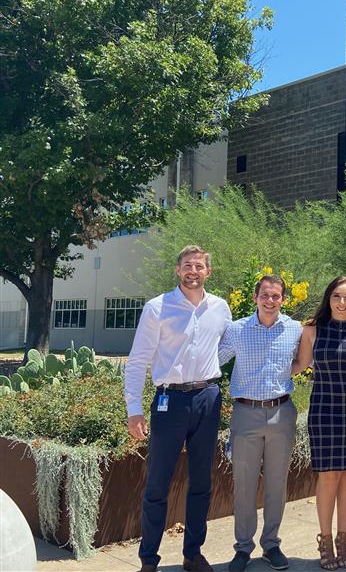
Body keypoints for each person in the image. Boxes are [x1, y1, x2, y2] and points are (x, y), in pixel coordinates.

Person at [124, 245, 232, 572]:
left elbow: (226, 345)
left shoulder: (220, 308)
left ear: (208, 272)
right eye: (187, 265)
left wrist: (211, 366)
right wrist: (134, 408)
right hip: (169, 402)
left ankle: (192, 554)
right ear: (178, 270)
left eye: (199, 266)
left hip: (207, 399)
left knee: (201, 482)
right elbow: (138, 360)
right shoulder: (158, 308)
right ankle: (149, 560)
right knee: (158, 482)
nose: (193, 271)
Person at [218, 274, 303, 572]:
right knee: (244, 484)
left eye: (276, 296)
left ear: (283, 299)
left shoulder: (294, 329)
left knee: (278, 483)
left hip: (282, 412)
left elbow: (304, 361)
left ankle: (271, 544)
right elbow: (212, 359)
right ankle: (243, 547)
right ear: (255, 298)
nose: (270, 301)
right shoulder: (237, 330)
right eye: (265, 295)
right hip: (246, 413)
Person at [292, 277, 346, 570]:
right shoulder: (312, 330)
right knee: (328, 475)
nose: (342, 302)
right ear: (328, 298)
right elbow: (299, 366)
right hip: (324, 407)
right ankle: (324, 540)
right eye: (337, 296)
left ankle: (343, 539)